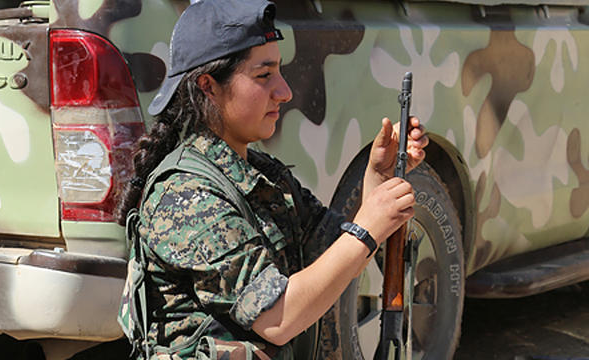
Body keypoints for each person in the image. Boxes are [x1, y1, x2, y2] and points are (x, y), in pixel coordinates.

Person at [116, 0, 428, 359]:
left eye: (279, 72)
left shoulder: (258, 173)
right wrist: (368, 226)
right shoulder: (188, 195)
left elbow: (336, 250)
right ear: (209, 87)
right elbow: (279, 318)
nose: (284, 91)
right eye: (264, 76)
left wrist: (378, 179)